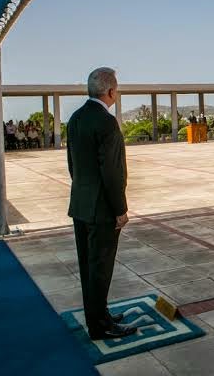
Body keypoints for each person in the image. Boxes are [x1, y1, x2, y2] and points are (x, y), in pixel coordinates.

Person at [66, 67, 136, 341]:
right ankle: (99, 326)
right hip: (102, 209)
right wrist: (120, 209)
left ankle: (98, 314)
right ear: (110, 91)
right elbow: (113, 172)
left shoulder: (76, 118)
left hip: (81, 205)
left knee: (88, 266)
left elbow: (73, 166)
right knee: (101, 268)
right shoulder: (106, 122)